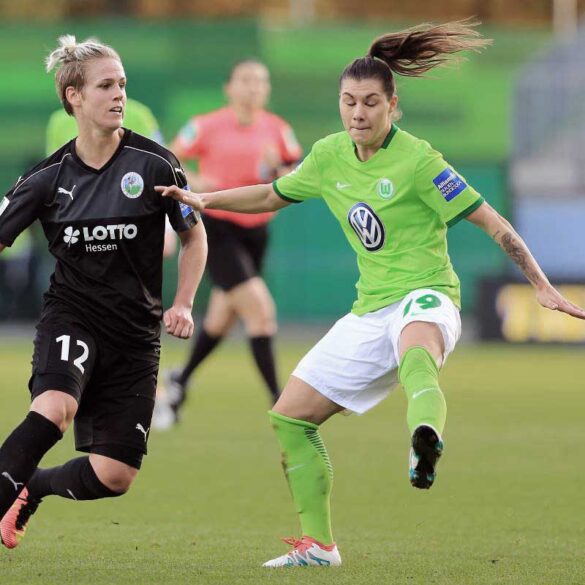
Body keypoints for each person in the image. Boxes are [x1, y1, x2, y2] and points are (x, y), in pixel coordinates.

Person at [157, 20, 585, 567]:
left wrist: (540, 285)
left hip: (428, 295)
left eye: (370, 103)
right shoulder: (329, 156)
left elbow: (491, 220)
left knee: (416, 352)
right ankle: (319, 547)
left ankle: (424, 438)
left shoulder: (421, 160)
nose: (358, 113)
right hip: (368, 310)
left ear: (393, 106)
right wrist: (202, 198)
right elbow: (269, 195)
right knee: (288, 416)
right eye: (349, 101)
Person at [0, 35, 207, 549]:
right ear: (74, 97)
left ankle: (34, 489)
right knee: (53, 408)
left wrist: (182, 302)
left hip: (136, 335)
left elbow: (194, 235)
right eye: (106, 85)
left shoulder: (156, 164)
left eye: (122, 85)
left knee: (115, 476)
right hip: (73, 317)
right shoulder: (47, 177)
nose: (119, 95)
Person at [153, 59, 302, 430]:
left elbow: (296, 173)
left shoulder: (278, 129)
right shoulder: (205, 125)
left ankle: (180, 381)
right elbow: (168, 160)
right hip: (217, 228)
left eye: (260, 81)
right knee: (261, 311)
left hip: (257, 232)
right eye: (246, 80)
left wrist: (277, 171)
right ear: (229, 87)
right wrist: (197, 180)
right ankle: (281, 404)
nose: (253, 87)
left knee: (223, 314)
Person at [46, 99, 177, 258]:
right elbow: (57, 176)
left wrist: (166, 222)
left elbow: (163, 166)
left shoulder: (139, 114)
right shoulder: (59, 121)